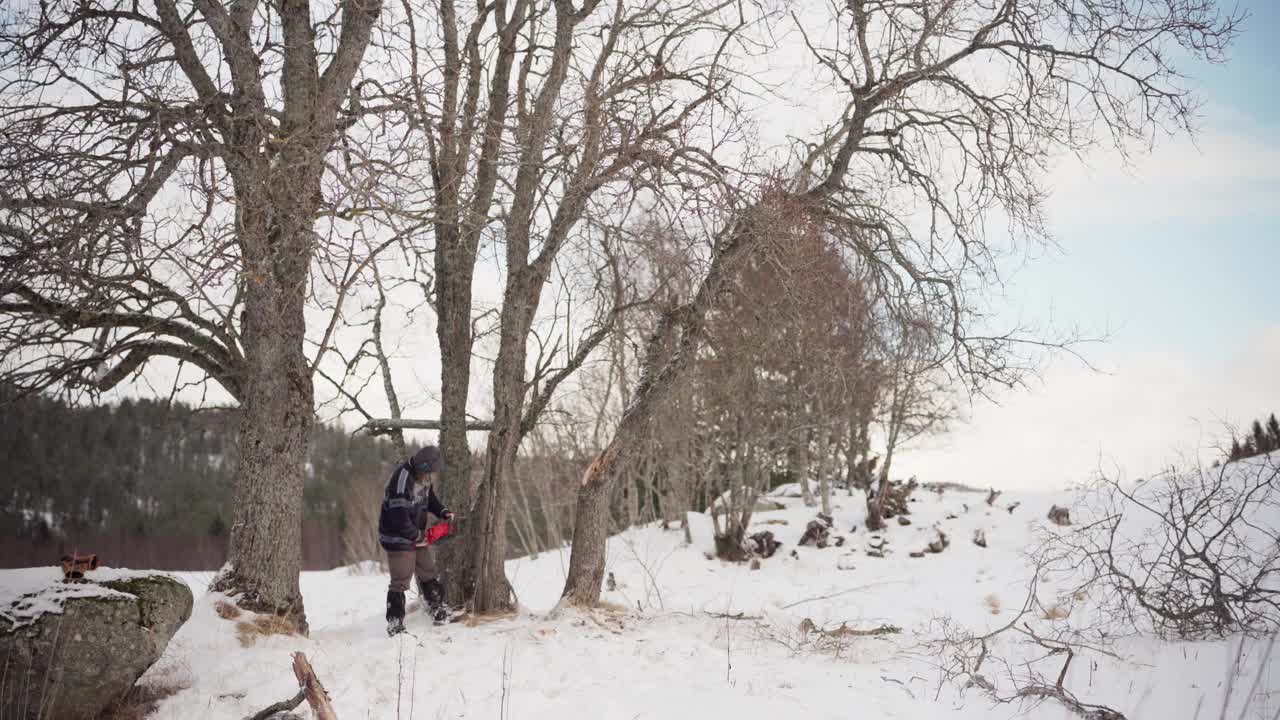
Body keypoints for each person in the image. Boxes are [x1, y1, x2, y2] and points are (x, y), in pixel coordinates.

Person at [379, 445, 454, 635]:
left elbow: (429, 499)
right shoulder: (401, 480)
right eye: (429, 471)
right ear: (422, 467)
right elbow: (398, 517)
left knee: (427, 570)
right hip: (397, 536)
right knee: (401, 579)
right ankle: (395, 622)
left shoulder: (425, 477)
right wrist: (416, 535)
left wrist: (442, 511)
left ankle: (436, 608)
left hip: (415, 533)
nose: (430, 475)